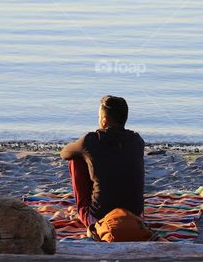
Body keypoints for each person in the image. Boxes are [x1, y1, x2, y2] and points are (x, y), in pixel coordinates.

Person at [61, 95, 145, 227]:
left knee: (76, 159)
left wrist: (84, 149)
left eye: (99, 117)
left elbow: (65, 153)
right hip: (136, 217)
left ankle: (82, 211)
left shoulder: (91, 141)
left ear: (104, 121)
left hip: (100, 219)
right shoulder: (137, 141)